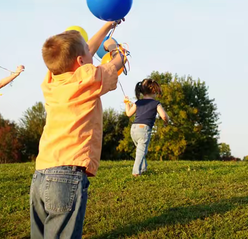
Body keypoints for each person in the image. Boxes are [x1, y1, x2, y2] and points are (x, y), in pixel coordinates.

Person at [30, 21, 126, 239]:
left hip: (41, 173)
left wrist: (107, 25)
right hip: (67, 175)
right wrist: (117, 50)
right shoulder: (88, 79)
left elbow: (86, 51)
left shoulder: (51, 80)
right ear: (81, 62)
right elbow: (115, 65)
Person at [124, 79, 169, 177]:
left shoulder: (138, 102)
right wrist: (166, 121)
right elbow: (164, 116)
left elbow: (128, 114)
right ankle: (136, 172)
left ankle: (144, 168)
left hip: (134, 129)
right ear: (153, 91)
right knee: (141, 151)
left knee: (140, 149)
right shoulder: (156, 103)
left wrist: (126, 103)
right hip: (144, 129)